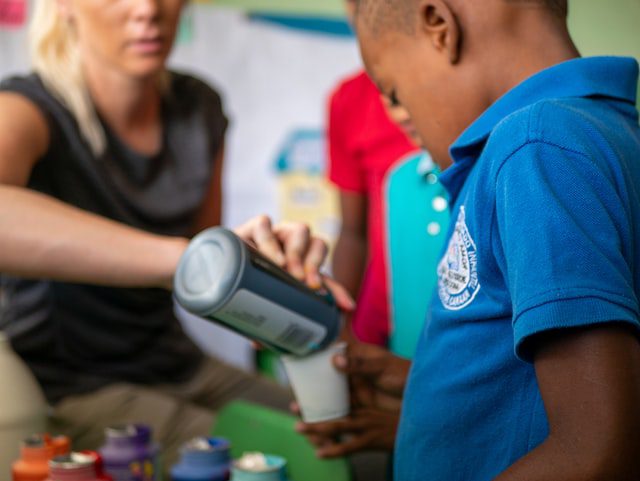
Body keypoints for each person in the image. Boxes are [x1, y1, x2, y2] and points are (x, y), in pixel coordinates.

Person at [297, 0, 640, 479]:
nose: (403, 115)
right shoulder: (601, 129)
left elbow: (595, 451)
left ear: (439, 26)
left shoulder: (533, 147)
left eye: (395, 90)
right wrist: (415, 385)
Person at [0, 0, 341, 471]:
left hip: (180, 363)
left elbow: (209, 279)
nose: (146, 9)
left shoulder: (198, 108)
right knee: (297, 466)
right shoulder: (27, 108)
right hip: (76, 388)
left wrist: (273, 291)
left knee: (346, 439)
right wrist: (188, 259)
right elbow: (196, 262)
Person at [328, 0, 420, 348]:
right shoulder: (348, 100)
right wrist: (341, 322)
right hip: (378, 327)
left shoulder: (464, 98)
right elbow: (352, 232)